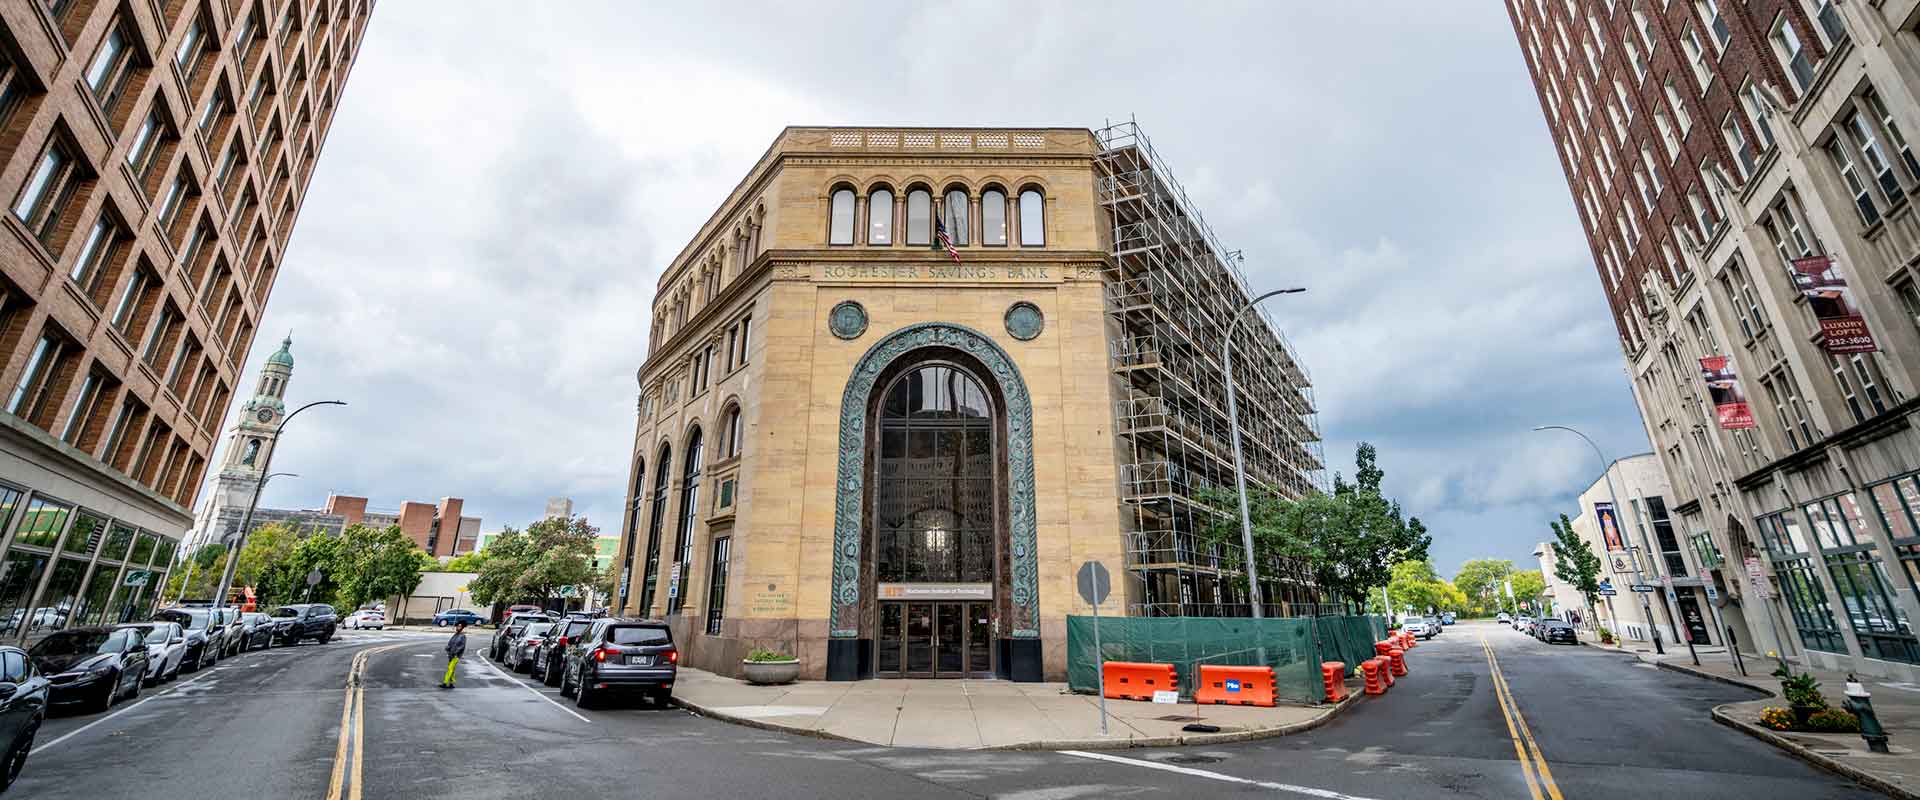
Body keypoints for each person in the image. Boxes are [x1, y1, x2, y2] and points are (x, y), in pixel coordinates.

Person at [440, 622, 467, 689]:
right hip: (451, 655)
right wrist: (447, 648)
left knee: (450, 669)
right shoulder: (455, 635)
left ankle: (445, 683)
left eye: (459, 626)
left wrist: (456, 653)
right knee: (452, 669)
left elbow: (462, 646)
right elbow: (450, 643)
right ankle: (452, 683)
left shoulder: (463, 636)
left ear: (462, 628)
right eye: (457, 626)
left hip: (456, 656)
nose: (457, 627)